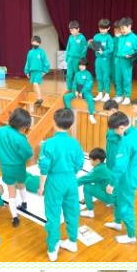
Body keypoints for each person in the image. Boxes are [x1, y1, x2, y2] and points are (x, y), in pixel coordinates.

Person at [38, 107, 84, 260]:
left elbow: (44, 167)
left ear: (54, 122)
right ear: (70, 124)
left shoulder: (49, 144)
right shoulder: (75, 143)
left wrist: (41, 186)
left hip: (54, 181)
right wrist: (70, 173)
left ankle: (52, 249)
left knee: (53, 215)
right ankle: (72, 241)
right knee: (72, 212)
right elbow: (79, 163)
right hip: (71, 180)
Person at [104, 111, 137, 245]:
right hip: (134, 172)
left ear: (121, 127)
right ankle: (117, 222)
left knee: (126, 205)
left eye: (115, 130)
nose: (115, 133)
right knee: (118, 199)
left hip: (126, 176)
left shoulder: (126, 141)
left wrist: (111, 183)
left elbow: (120, 166)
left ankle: (131, 235)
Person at [0, 108, 34, 227]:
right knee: (21, 184)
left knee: (11, 192)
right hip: (19, 167)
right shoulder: (21, 137)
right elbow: (28, 153)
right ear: (23, 125)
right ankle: (24, 203)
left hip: (6, 167)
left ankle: (15, 217)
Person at [113, 17, 137, 104]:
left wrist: (131, 54)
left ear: (129, 26)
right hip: (118, 60)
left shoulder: (134, 38)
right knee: (118, 79)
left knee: (126, 79)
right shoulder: (120, 37)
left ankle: (127, 97)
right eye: (120, 28)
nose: (122, 30)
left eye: (123, 28)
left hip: (126, 62)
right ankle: (119, 95)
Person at [78, 147, 113, 219]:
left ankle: (90, 211)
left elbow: (83, 179)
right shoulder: (104, 166)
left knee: (87, 187)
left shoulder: (98, 170)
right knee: (95, 182)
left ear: (97, 161)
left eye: (90, 160)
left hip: (110, 197)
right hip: (117, 194)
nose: (89, 161)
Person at [63, 57, 97, 124]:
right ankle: (69, 112)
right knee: (66, 97)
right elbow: (74, 83)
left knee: (90, 99)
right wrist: (75, 91)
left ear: (86, 66)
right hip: (77, 91)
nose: (81, 67)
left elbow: (88, 85)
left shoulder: (88, 74)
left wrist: (81, 92)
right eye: (80, 65)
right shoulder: (77, 74)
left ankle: (91, 115)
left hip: (85, 92)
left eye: (83, 65)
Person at [88, 18, 114, 101]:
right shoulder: (96, 36)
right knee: (99, 77)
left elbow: (111, 49)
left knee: (106, 77)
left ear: (108, 28)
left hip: (106, 60)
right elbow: (93, 46)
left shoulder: (109, 38)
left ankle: (107, 94)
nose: (102, 30)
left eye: (104, 29)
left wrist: (103, 52)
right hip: (98, 59)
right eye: (100, 28)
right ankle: (100, 93)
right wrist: (90, 44)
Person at [24, 35, 50, 103]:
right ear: (32, 42)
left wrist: (45, 71)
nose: (35, 43)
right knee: (34, 86)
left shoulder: (41, 52)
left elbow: (45, 61)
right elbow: (28, 62)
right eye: (34, 42)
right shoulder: (30, 52)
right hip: (32, 72)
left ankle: (40, 99)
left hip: (39, 71)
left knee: (35, 83)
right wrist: (27, 71)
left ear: (39, 43)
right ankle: (37, 99)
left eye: (37, 42)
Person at [64, 20, 87, 92]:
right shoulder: (70, 37)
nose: (72, 32)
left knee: (78, 75)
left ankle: (78, 90)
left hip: (78, 60)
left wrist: (82, 59)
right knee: (69, 75)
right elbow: (68, 47)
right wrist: (66, 57)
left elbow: (84, 48)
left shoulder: (82, 37)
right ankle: (69, 89)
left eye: (73, 30)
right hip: (70, 59)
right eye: (71, 31)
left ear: (78, 29)